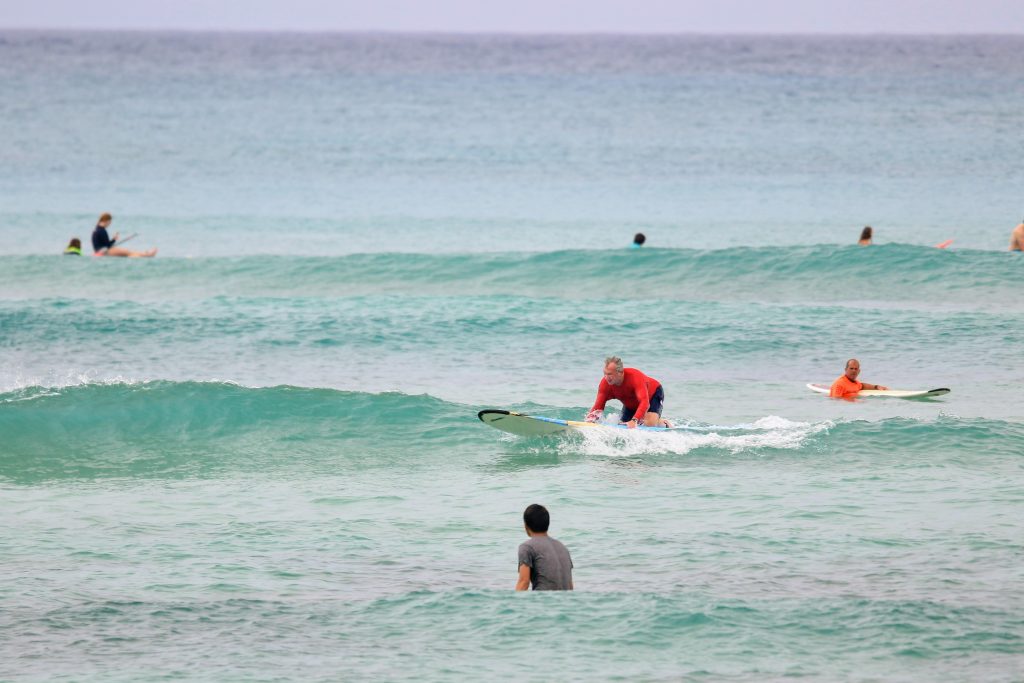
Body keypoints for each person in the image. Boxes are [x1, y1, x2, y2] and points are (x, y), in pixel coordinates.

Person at [586, 356, 670, 428]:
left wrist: (634, 420)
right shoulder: (605, 384)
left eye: (610, 374)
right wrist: (591, 420)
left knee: (649, 424)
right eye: (605, 373)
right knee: (622, 425)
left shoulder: (635, 377)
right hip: (631, 403)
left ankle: (663, 423)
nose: (606, 377)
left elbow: (645, 403)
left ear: (620, 372)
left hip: (653, 394)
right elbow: (598, 407)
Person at [516, 504, 573, 591]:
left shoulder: (526, 547)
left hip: (543, 602)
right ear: (547, 523)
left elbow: (524, 582)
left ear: (526, 526)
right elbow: (570, 585)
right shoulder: (563, 548)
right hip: (566, 602)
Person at [91, 213, 157, 258]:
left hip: (100, 251)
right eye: (110, 222)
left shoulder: (96, 229)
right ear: (106, 221)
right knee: (129, 253)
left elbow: (102, 245)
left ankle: (146, 254)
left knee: (128, 253)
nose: (109, 224)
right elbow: (108, 245)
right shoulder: (102, 231)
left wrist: (113, 240)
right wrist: (114, 239)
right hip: (105, 252)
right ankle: (147, 255)